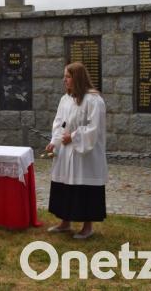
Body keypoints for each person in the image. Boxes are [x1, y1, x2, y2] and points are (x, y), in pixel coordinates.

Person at [45, 61, 108, 239]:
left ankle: (87, 227)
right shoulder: (66, 99)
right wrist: (55, 141)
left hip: (84, 155)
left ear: (77, 78)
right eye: (65, 76)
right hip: (65, 152)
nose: (64, 80)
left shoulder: (94, 100)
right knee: (65, 186)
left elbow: (94, 128)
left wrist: (73, 137)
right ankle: (65, 222)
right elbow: (59, 123)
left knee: (84, 189)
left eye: (67, 76)